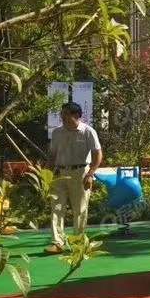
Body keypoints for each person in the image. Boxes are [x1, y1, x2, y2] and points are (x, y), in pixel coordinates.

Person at [46, 101, 102, 253]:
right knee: (56, 208)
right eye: (61, 114)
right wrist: (46, 175)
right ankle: (58, 243)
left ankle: (78, 243)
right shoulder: (57, 132)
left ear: (76, 115)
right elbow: (52, 155)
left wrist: (90, 174)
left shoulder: (88, 131)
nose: (62, 117)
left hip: (81, 173)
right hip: (59, 173)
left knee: (80, 209)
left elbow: (98, 154)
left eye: (65, 114)